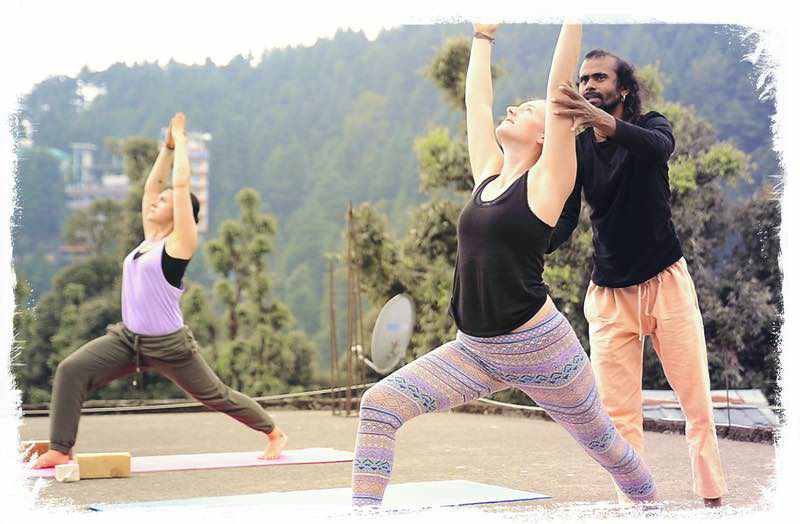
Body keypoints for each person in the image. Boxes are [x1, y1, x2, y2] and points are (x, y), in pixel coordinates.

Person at [350, 22, 657, 507]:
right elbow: (478, 104)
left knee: (606, 446)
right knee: (379, 405)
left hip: (542, 349)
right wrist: (483, 35)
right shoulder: (488, 176)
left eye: (527, 109)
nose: (513, 108)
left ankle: (652, 509)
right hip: (474, 348)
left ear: (544, 134)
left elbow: (559, 92)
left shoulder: (547, 183)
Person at [33, 113, 288, 469]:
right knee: (71, 370)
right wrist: (166, 148)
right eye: (158, 199)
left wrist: (182, 142)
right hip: (126, 341)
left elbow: (180, 188)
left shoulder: (179, 244)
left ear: (180, 214)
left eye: (165, 202)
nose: (155, 202)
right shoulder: (147, 240)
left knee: (216, 396)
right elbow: (151, 188)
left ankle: (274, 433)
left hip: (169, 346)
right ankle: (61, 448)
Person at [547, 50, 727, 507]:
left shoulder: (652, 125)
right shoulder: (580, 148)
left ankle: (712, 499)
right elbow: (568, 216)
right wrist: (525, 242)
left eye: (599, 78)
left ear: (622, 88)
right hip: (609, 295)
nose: (588, 85)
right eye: (583, 79)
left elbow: (658, 150)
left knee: (697, 405)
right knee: (619, 417)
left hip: (665, 281)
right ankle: (638, 507)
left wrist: (598, 121)